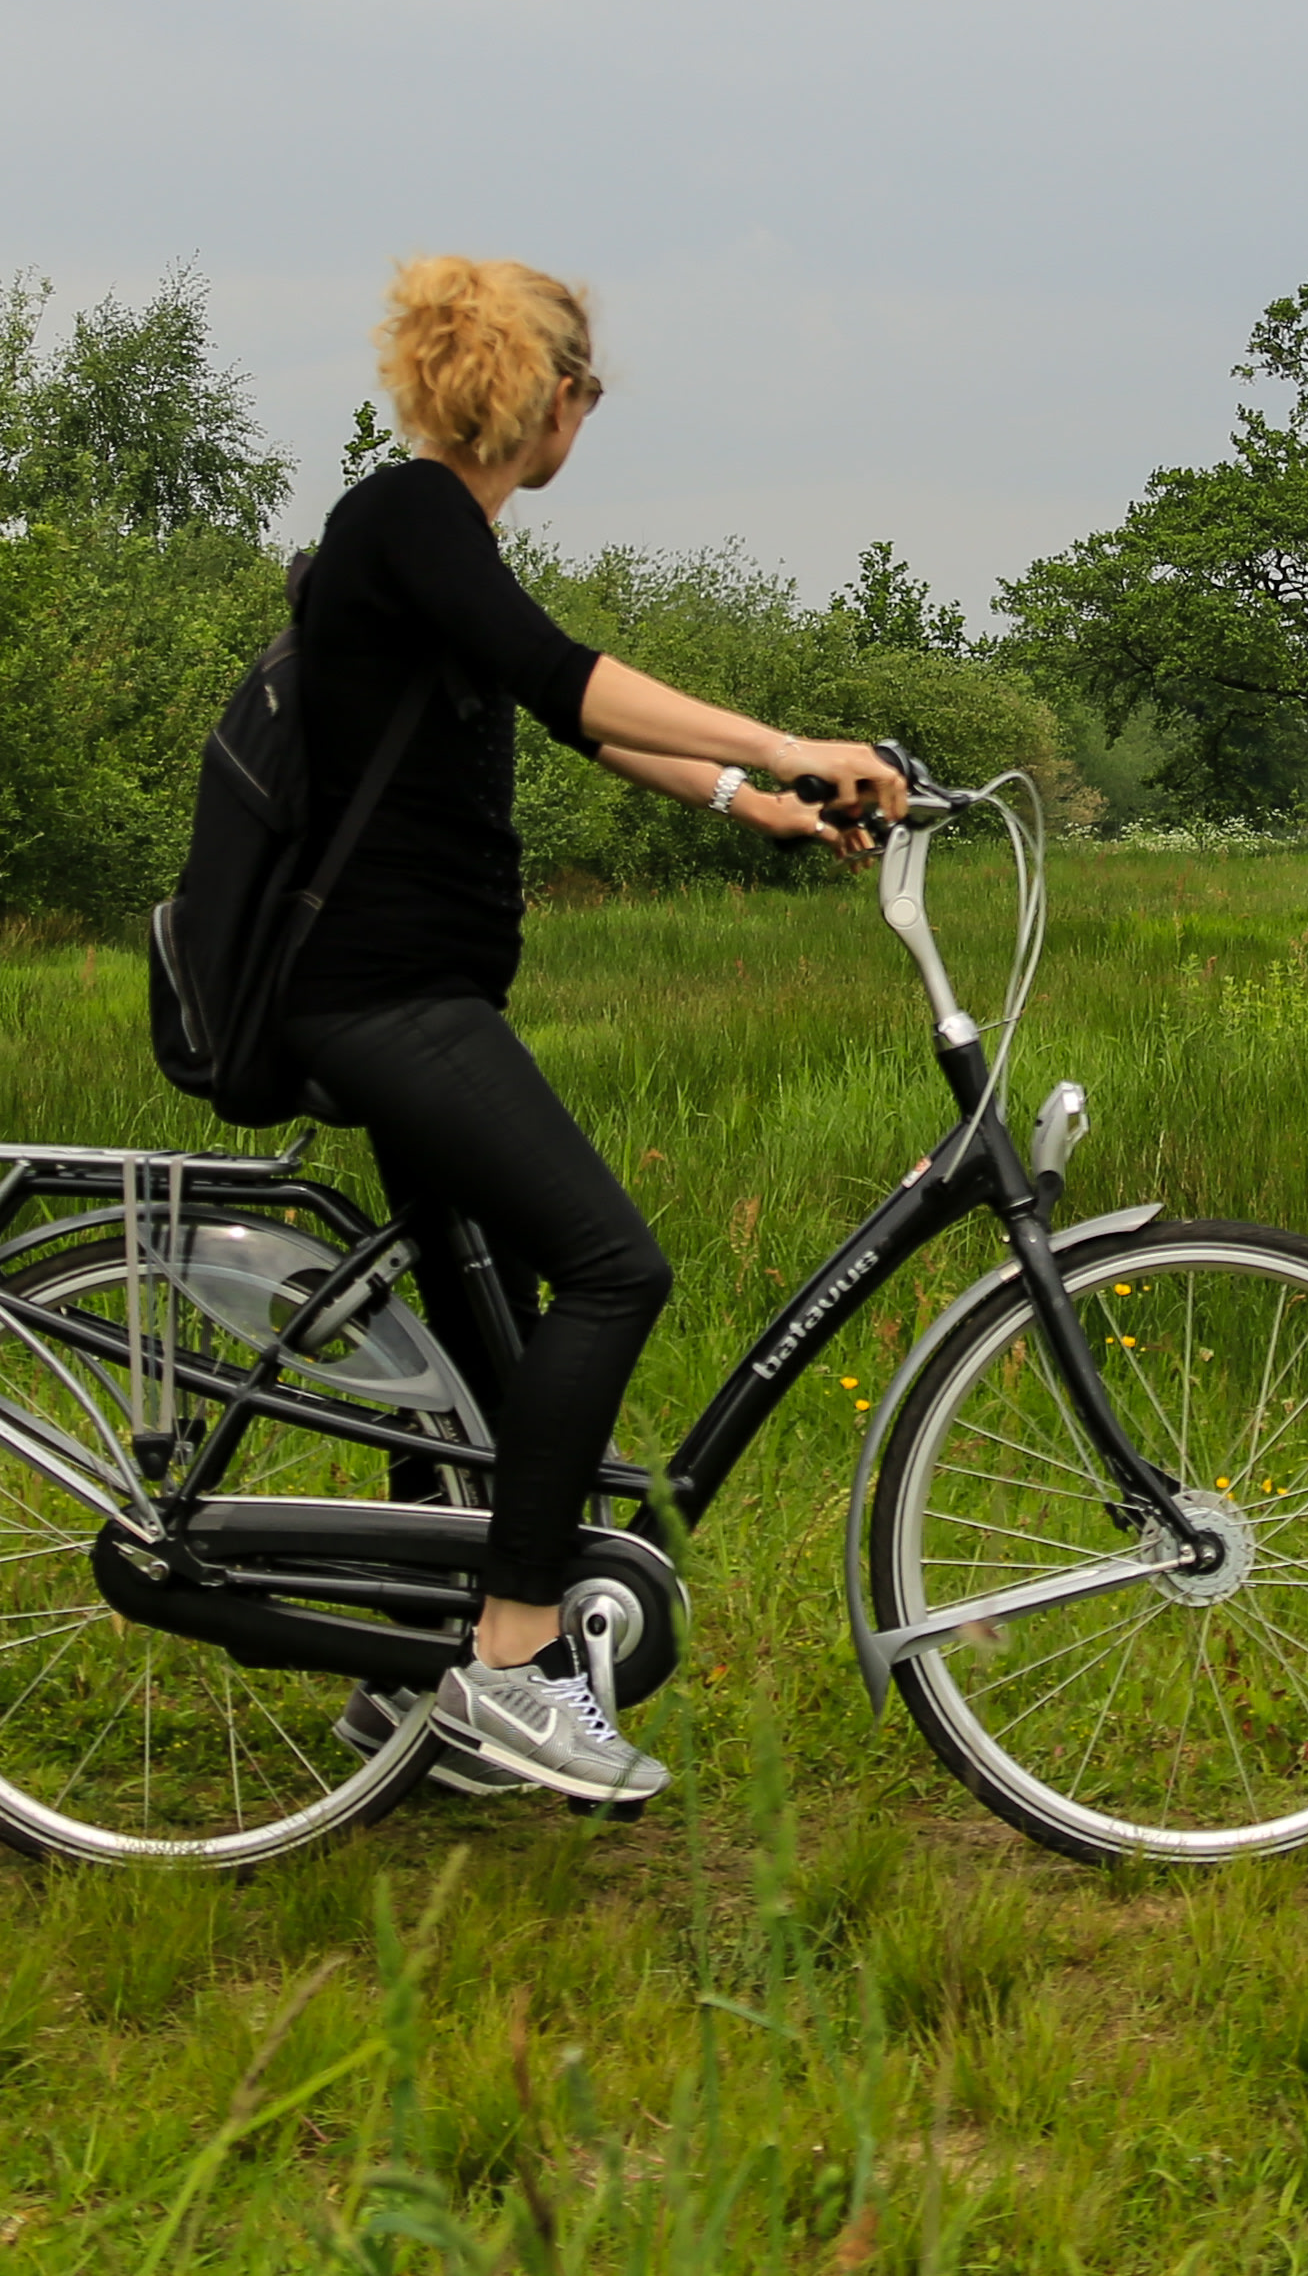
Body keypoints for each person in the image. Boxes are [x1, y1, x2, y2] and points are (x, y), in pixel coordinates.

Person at [284, 256, 906, 1806]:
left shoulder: (429, 535)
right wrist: (791, 743)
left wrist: (742, 800)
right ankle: (508, 1663)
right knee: (613, 1265)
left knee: (466, 1356)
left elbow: (566, 713)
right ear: (547, 395)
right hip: (382, 998)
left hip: (408, 992)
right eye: (589, 389)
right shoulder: (412, 518)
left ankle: (410, 1687)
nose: (590, 414)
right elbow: (566, 676)